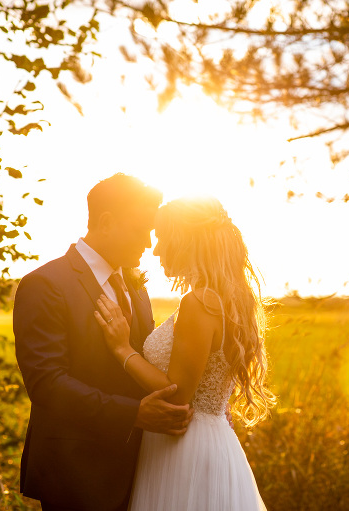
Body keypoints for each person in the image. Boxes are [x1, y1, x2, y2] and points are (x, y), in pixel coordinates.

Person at [13, 174, 193, 511]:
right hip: (76, 471)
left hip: (141, 467)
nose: (148, 242)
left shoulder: (136, 287)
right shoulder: (46, 284)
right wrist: (134, 415)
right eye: (142, 229)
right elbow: (46, 383)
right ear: (107, 223)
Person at [94, 196, 275, 511]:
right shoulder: (232, 299)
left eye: (163, 238)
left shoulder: (200, 302)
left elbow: (177, 394)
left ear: (185, 241)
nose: (157, 249)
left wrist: (123, 349)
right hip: (213, 438)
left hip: (185, 447)